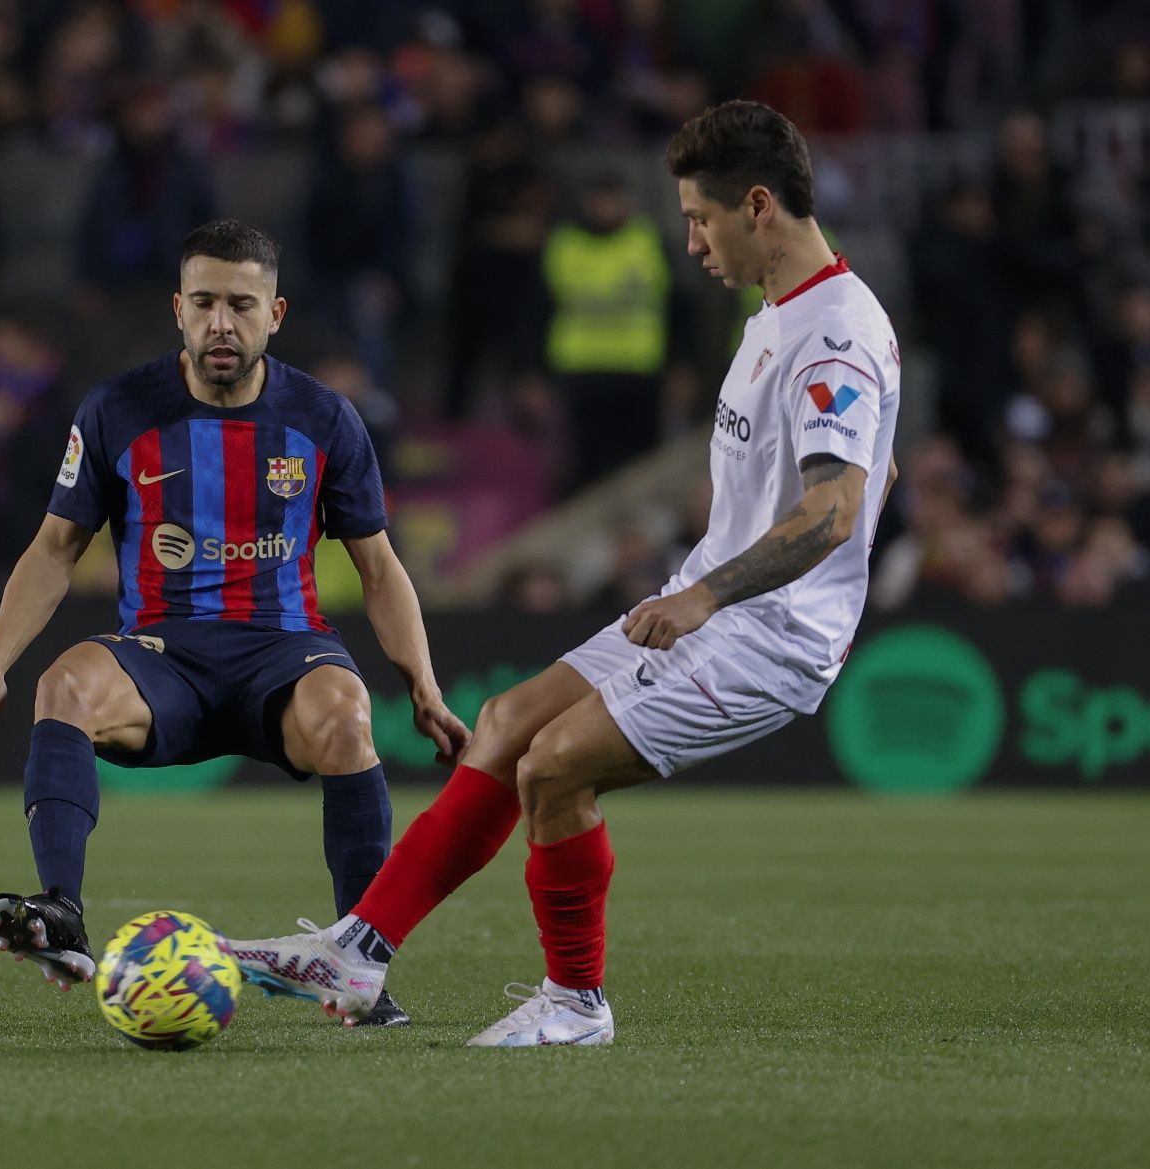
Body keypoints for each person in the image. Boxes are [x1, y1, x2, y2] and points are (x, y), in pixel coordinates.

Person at [230, 101, 902, 1047]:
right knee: (505, 723)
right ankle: (359, 947)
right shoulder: (778, 316)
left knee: (552, 768)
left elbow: (833, 509)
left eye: (701, 220)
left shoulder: (830, 332)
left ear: (759, 206)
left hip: (769, 638)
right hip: (709, 604)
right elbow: (865, 476)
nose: (691, 243)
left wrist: (706, 592)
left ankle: (577, 1004)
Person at [0, 220, 469, 1028]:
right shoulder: (119, 407)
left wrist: (425, 688)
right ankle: (61, 912)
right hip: (164, 657)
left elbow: (379, 566)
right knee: (65, 684)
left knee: (347, 712)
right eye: (203, 303)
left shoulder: (326, 418)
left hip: (283, 652)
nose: (221, 322)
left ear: (276, 312)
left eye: (240, 304)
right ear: (178, 310)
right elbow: (55, 548)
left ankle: (359, 961)